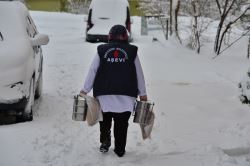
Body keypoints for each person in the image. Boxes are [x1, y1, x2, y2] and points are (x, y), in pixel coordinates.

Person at [80, 25, 147, 157]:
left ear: (110, 36)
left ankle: (105, 142)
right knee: (121, 123)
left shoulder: (102, 50)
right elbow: (139, 74)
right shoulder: (132, 51)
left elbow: (93, 70)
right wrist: (143, 94)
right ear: (125, 36)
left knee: (104, 121)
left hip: (104, 94)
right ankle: (120, 148)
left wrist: (85, 89)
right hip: (126, 95)